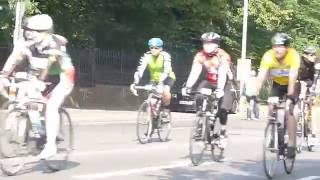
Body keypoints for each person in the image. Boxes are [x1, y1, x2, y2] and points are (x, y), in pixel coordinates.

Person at [0, 14, 75, 159]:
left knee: (52, 106)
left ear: (46, 32)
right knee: (28, 98)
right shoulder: (25, 43)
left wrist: (40, 81)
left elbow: (50, 64)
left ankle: (51, 145)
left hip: (62, 76)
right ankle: (37, 131)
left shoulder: (55, 44)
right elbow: (14, 59)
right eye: (28, 30)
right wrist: (3, 75)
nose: (30, 33)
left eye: (34, 31)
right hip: (38, 74)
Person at [182, 32, 233, 147]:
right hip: (209, 81)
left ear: (217, 44)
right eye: (205, 43)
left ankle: (223, 132)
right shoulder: (200, 55)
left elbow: (222, 73)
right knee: (199, 94)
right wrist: (188, 86)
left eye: (210, 43)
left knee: (223, 109)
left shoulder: (223, 56)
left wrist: (220, 89)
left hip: (224, 82)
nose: (207, 46)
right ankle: (201, 119)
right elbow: (195, 71)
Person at [256, 32, 300, 159]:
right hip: (278, 84)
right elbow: (261, 76)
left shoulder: (293, 55)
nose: (277, 49)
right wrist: (255, 93)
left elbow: (292, 76)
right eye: (275, 46)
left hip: (292, 83)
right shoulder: (268, 56)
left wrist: (291, 95)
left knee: (289, 110)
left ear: (287, 47)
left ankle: (291, 143)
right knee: (271, 105)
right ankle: (273, 134)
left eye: (280, 46)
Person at [130, 38, 176, 116]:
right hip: (154, 79)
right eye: (151, 48)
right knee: (151, 98)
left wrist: (161, 82)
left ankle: (165, 109)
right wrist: (135, 83)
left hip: (167, 77)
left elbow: (166, 69)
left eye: (156, 48)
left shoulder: (165, 55)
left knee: (165, 92)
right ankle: (151, 120)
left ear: (161, 48)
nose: (153, 50)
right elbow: (140, 70)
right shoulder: (147, 56)